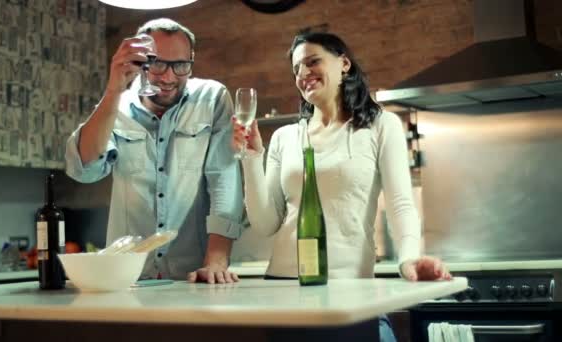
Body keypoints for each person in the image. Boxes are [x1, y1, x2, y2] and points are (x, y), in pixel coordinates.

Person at [232, 32, 452, 341]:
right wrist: (251, 157)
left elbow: (401, 204)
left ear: (344, 64)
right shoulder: (285, 137)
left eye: (312, 62)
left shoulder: (379, 125)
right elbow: (265, 223)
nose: (303, 74)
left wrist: (408, 259)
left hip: (348, 287)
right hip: (283, 289)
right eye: (296, 69)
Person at [65, 18, 244, 284]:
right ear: (139, 61)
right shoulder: (116, 106)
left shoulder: (211, 98)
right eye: (157, 63)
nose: (168, 77)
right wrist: (114, 89)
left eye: (180, 65)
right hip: (127, 278)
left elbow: (224, 181)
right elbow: (84, 169)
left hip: (193, 278)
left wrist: (216, 262)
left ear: (191, 61)